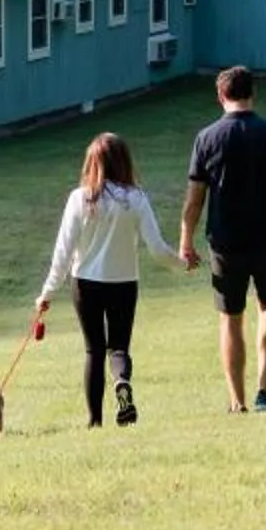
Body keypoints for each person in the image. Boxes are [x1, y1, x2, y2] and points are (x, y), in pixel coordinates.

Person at [178, 66, 266, 413]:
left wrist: (185, 241)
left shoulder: (207, 138)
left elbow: (194, 199)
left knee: (230, 316)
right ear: (252, 93)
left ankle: (236, 400)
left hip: (225, 242)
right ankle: (264, 391)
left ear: (220, 96)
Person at [33, 130, 184, 428]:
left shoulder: (80, 199)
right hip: (124, 282)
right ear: (124, 162)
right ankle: (122, 381)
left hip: (86, 283)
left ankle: (95, 420)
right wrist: (182, 264)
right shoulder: (136, 198)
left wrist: (47, 294)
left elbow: (63, 253)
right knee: (119, 347)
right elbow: (157, 248)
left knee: (93, 349)